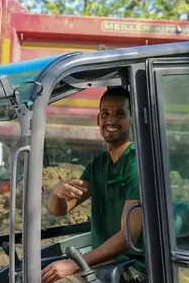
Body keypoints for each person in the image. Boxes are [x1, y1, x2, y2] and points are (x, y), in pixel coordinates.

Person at [41, 87, 147, 283]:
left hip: (131, 270)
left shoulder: (136, 164)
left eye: (120, 113)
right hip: (103, 265)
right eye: (105, 114)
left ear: (132, 120)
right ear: (98, 120)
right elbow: (60, 210)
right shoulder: (98, 165)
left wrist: (74, 264)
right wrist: (57, 193)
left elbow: (128, 236)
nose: (111, 120)